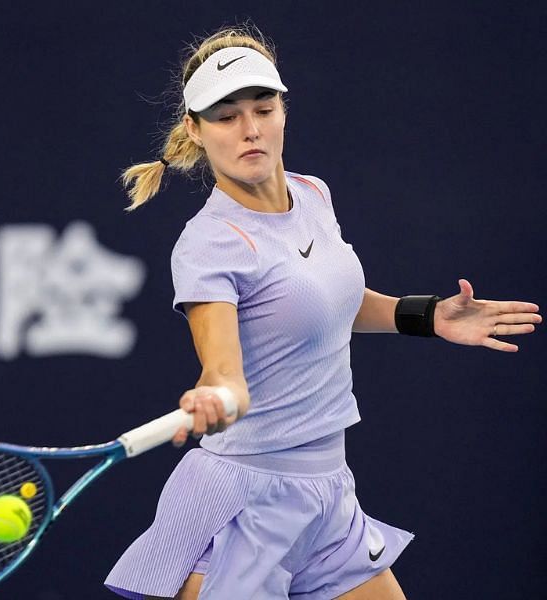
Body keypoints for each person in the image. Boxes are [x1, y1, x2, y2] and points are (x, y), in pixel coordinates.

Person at [103, 26, 540, 600]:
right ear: (195, 129)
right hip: (243, 506)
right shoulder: (209, 244)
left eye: (264, 108)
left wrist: (426, 315)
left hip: (328, 493)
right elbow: (224, 372)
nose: (251, 129)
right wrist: (217, 395)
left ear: (283, 110)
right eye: (227, 116)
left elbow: (321, 305)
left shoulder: (313, 194)